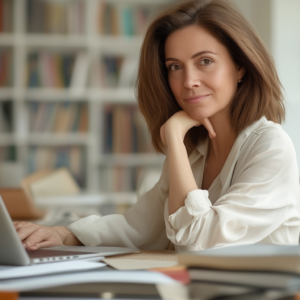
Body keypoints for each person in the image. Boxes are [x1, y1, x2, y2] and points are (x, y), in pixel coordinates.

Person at [15, 0, 300, 252]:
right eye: (175, 66)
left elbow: (194, 242)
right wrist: (61, 233)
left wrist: (174, 137)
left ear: (240, 67)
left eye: (205, 61)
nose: (188, 81)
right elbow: (138, 227)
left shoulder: (270, 147)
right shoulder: (195, 151)